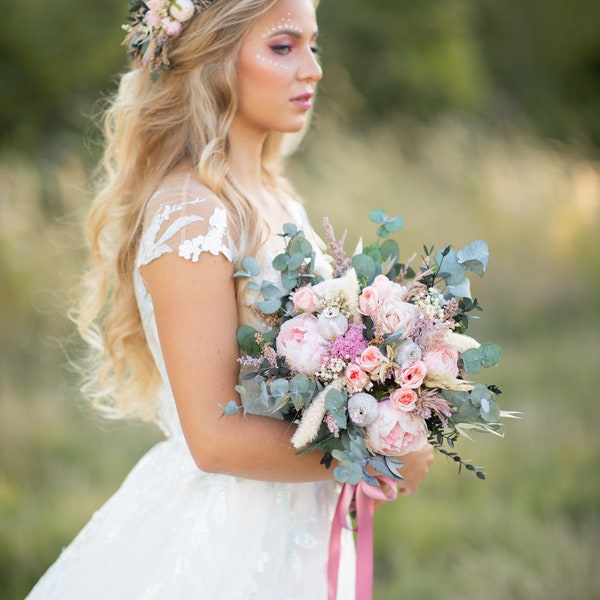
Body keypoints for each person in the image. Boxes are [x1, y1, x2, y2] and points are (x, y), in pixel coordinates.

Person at [27, 0, 434, 598]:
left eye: (312, 44)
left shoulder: (274, 195)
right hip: (230, 537)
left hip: (299, 517)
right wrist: (373, 449)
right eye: (282, 45)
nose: (313, 68)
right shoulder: (191, 216)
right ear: (215, 59)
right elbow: (215, 440)